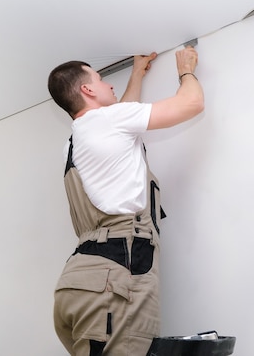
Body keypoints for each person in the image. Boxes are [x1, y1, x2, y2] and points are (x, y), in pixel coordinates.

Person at [48, 46, 204, 356]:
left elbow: (122, 118)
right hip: (116, 274)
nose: (110, 85)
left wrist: (137, 73)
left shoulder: (79, 138)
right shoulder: (108, 121)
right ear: (87, 89)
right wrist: (186, 70)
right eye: (101, 79)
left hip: (78, 283)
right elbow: (192, 103)